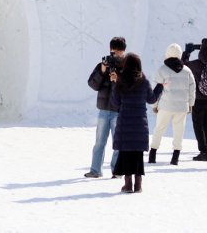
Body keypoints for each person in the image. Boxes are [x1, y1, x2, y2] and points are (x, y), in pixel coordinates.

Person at [110, 53, 162, 193]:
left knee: (126, 153)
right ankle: (138, 185)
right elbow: (152, 99)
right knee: (138, 154)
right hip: (139, 123)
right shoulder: (144, 82)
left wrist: (114, 84)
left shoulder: (121, 81)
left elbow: (115, 103)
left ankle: (128, 185)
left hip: (125, 122)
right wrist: (160, 87)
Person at [84, 36, 126, 178]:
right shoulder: (104, 64)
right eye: (113, 50)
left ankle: (117, 171)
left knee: (118, 143)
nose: (116, 53)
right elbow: (92, 84)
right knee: (99, 143)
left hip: (118, 110)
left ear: (123, 51)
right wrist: (102, 71)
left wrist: (118, 78)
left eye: (118, 51)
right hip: (103, 109)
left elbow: (130, 87)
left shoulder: (127, 66)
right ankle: (95, 170)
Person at [149, 43, 196, 166]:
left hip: (165, 106)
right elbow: (192, 89)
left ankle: (152, 155)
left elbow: (156, 89)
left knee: (159, 129)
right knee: (179, 131)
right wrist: (190, 104)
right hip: (181, 107)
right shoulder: (187, 70)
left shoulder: (162, 69)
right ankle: (175, 157)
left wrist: (154, 105)